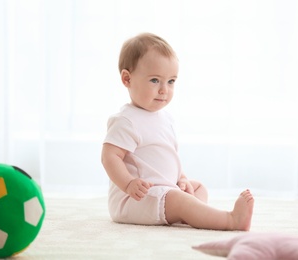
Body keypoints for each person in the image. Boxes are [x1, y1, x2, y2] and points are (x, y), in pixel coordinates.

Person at [101, 32, 254, 230]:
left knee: (197, 188)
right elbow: (109, 157)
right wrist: (129, 184)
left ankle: (192, 213)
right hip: (135, 199)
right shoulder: (126, 120)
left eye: (171, 81)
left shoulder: (165, 119)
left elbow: (168, 157)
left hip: (163, 192)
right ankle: (230, 220)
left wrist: (181, 178)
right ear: (127, 79)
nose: (164, 89)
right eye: (155, 80)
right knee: (178, 199)